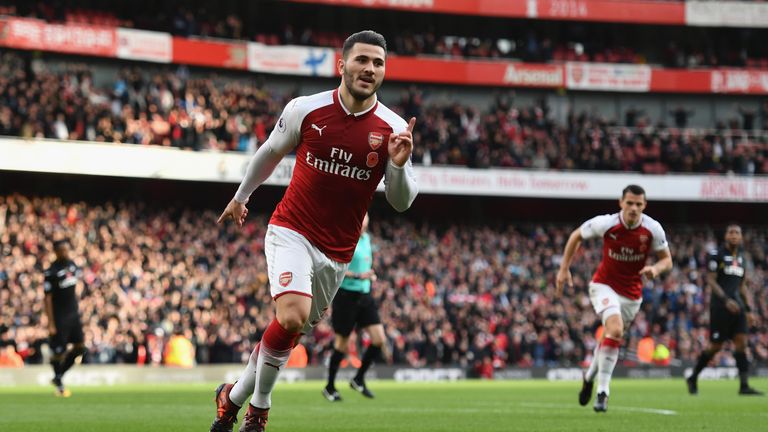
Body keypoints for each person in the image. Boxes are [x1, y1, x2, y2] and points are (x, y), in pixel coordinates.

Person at [210, 30, 418, 432]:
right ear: (342, 65)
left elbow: (402, 201)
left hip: (337, 253)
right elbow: (270, 152)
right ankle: (259, 409)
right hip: (291, 230)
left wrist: (395, 164)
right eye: (362, 60)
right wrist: (242, 196)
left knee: (288, 334)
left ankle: (231, 397)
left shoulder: (393, 128)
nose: (369, 69)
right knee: (291, 316)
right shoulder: (307, 109)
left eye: (378, 63)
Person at [555, 184, 672, 413]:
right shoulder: (606, 223)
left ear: (644, 206)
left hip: (632, 295)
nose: (633, 208)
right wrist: (563, 269)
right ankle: (603, 392)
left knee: (611, 336)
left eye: (638, 204)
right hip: (603, 285)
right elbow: (576, 235)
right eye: (629, 203)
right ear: (621, 203)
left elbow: (667, 260)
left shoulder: (652, 229)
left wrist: (655, 270)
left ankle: (588, 378)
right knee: (615, 330)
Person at [686, 224, 763, 396]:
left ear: (741, 237)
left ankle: (744, 385)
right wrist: (726, 300)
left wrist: (749, 309)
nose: (734, 236)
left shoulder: (742, 258)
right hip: (720, 306)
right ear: (726, 236)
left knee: (742, 343)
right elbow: (711, 281)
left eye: (737, 233)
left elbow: (742, 286)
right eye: (731, 232)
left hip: (739, 307)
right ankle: (693, 377)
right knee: (715, 345)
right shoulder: (717, 254)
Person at [323, 212, 386, 402]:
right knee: (342, 343)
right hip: (346, 296)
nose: (364, 218)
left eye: (367, 215)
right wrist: (359, 276)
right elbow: (335, 267)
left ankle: (358, 378)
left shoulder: (366, 239)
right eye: (362, 215)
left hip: (364, 295)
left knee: (379, 339)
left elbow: (364, 265)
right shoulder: (345, 237)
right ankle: (330, 386)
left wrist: (369, 276)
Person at [43, 239, 87, 397]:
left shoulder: (73, 265)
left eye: (67, 249)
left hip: (73, 315)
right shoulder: (50, 272)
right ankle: (60, 384)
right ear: (56, 252)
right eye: (62, 250)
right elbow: (47, 299)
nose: (66, 253)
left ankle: (58, 375)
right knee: (59, 352)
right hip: (59, 317)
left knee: (81, 347)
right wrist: (51, 323)